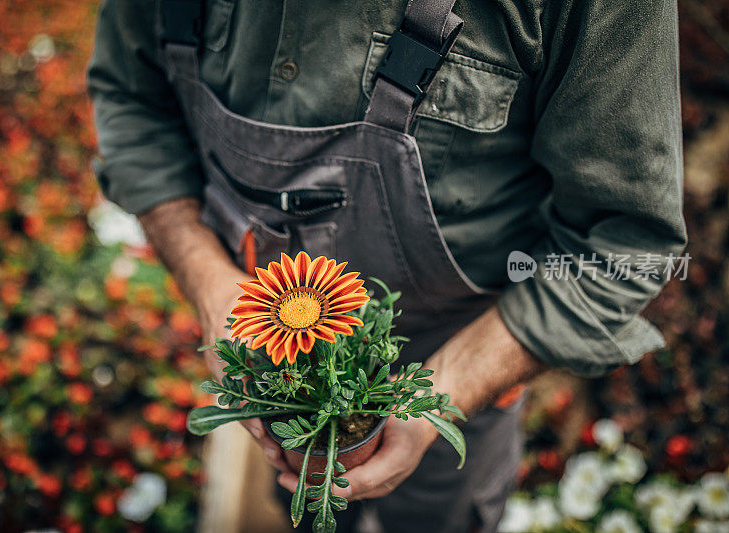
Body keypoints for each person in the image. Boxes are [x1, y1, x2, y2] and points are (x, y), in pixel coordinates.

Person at [87, 0, 686, 531]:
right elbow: (129, 99)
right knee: (306, 506)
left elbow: (623, 247)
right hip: (280, 365)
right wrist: (212, 283)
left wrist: (442, 394)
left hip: (466, 361)